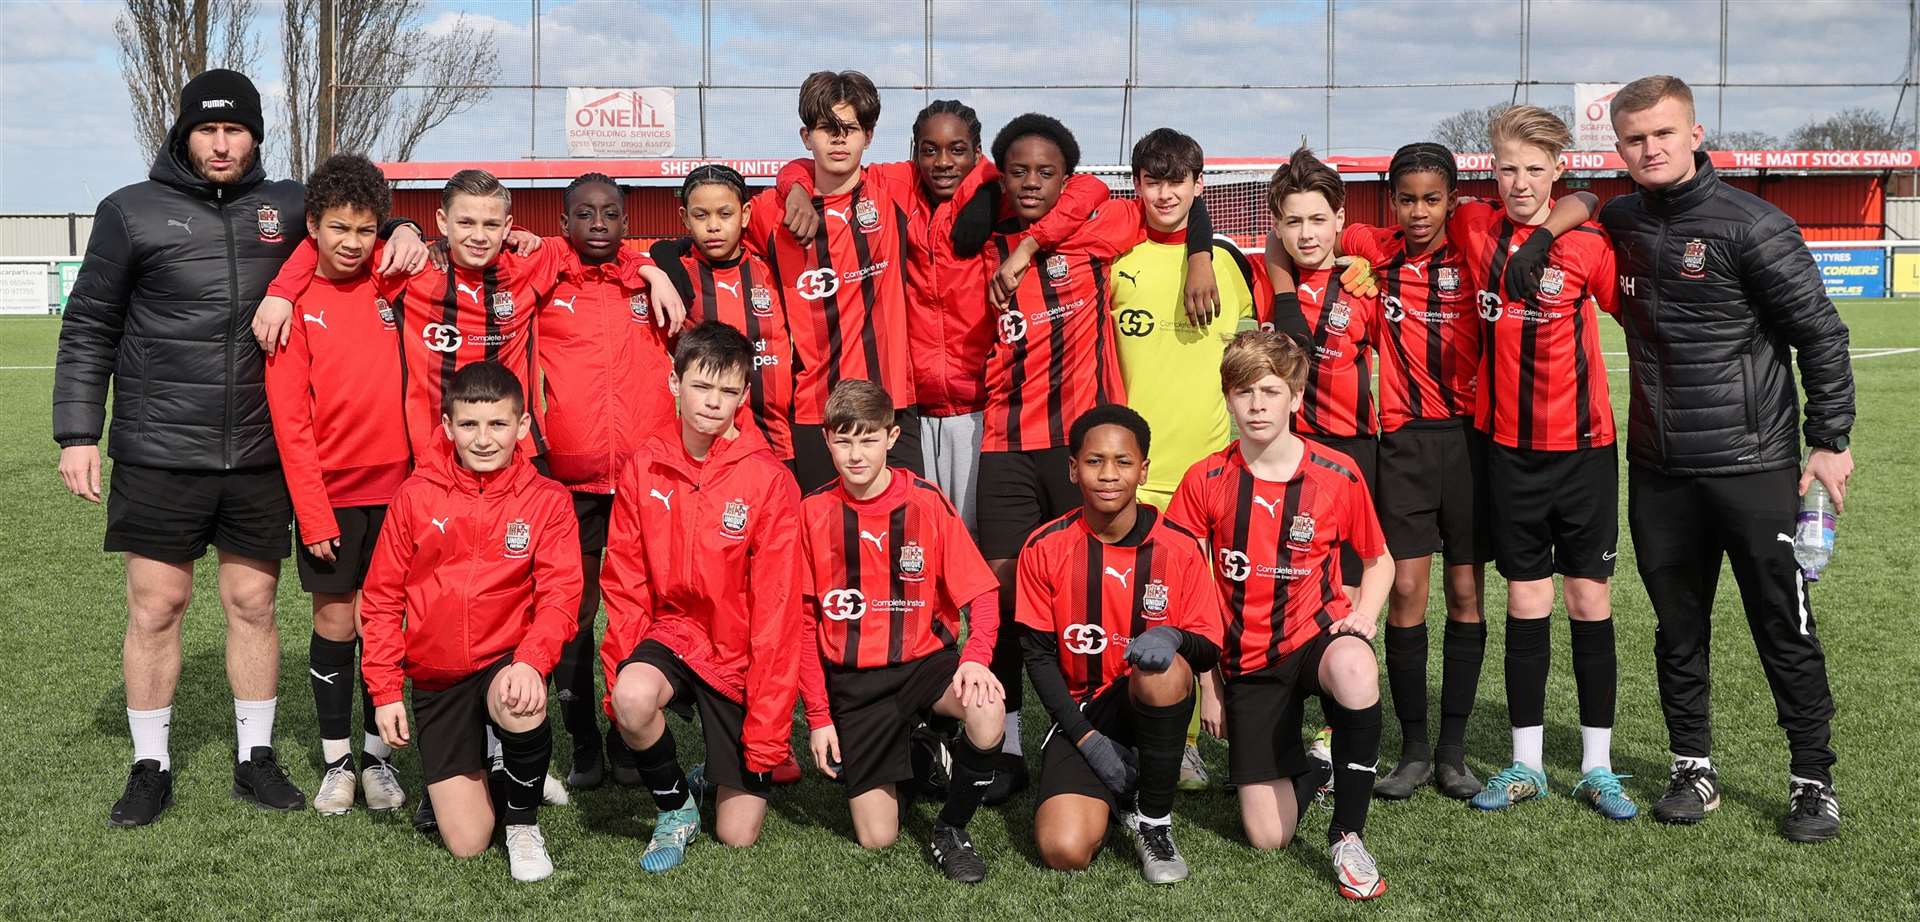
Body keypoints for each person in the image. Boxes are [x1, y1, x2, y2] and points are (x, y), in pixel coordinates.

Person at [53, 68, 428, 827]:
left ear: (256, 136)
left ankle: (255, 758)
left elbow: (352, 226)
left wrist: (405, 231)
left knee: (253, 603)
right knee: (158, 607)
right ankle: (150, 764)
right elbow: (90, 323)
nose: (221, 144)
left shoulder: (288, 205)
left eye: (236, 130)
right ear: (183, 134)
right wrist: (77, 432)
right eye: (207, 130)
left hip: (260, 453)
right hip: (162, 448)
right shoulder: (128, 212)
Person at [1599, 75, 1852, 843]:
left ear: (1696, 133)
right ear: (1619, 148)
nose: (1651, 149)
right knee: (1677, 630)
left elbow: (1823, 334)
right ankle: (1691, 768)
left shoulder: (1753, 226)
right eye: (1635, 139)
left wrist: (1830, 441)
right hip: (1658, 470)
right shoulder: (1620, 219)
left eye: (1663, 134)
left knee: (1784, 625)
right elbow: (1571, 206)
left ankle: (1813, 781)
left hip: (1754, 467)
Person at [1445, 106, 1634, 821]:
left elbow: (1600, 205)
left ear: (1559, 170)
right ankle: (1526, 763)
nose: (1519, 182)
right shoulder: (1472, 227)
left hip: (1585, 449)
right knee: (1527, 601)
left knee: (1590, 600)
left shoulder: (1587, 242)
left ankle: (1598, 767)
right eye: (1507, 168)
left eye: (1534, 169)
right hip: (1509, 450)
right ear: (1490, 170)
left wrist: (1554, 229)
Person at [1171, 329, 1392, 900]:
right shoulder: (1204, 480)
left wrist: (1365, 614)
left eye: (1271, 391)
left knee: (1355, 668)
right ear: (1228, 398)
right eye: (1244, 392)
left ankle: (1348, 836)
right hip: (1246, 659)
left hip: (1317, 637)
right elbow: (1188, 592)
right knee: (1268, 836)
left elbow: (1380, 560)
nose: (1257, 404)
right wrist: (1210, 685)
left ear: (1296, 396)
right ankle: (1315, 767)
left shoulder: (1337, 473)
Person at [358, 361, 584, 882]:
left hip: (504, 658)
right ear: (448, 427)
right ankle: (507, 773)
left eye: (498, 424)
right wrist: (386, 690)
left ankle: (524, 823)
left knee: (518, 699)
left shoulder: (547, 500)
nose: (484, 439)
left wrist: (531, 661)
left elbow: (559, 595)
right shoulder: (416, 495)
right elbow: (382, 599)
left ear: (523, 427)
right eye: (469, 425)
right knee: (467, 842)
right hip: (437, 675)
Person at [598, 321, 806, 873]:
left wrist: (765, 732)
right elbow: (624, 583)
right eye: (701, 386)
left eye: (728, 391)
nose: (713, 403)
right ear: (675, 383)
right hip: (677, 635)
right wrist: (619, 676)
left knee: (737, 835)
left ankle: (723, 769)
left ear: (744, 395)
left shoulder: (769, 481)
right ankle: (675, 807)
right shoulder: (645, 465)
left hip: (739, 656)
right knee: (633, 697)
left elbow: (778, 616)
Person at [1108, 127, 1271, 791]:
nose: (1166, 192)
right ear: (1137, 184)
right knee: (1140, 613)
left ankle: (1245, 739)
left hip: (1209, 471)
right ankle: (1151, 741)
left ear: (1199, 186)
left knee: (1223, 609)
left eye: (1179, 181)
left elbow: (1255, 361)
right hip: (1133, 474)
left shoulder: (1229, 263)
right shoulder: (1115, 257)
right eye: (1153, 179)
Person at [795, 379, 1006, 883]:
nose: (855, 453)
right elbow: (802, 626)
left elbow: (983, 593)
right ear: (825, 440)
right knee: (877, 837)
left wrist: (975, 656)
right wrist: (819, 717)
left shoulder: (927, 503)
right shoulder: (811, 513)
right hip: (855, 681)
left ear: (891, 438)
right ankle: (922, 748)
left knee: (986, 709)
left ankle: (951, 829)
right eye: (843, 440)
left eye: (868, 439)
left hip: (925, 665)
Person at [1330, 143, 1490, 801]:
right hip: (1402, 443)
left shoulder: (1475, 252)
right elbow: (1325, 232)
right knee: (1404, 593)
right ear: (1391, 200)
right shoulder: (1379, 252)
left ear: (1451, 198)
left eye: (1432, 198)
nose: (1419, 211)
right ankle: (1415, 750)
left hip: (1473, 445)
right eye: (1407, 198)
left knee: (1465, 593)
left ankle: (1453, 752)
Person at [262, 153, 412, 815]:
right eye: (339, 229)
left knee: (389, 623)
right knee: (336, 620)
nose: (353, 243)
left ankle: (380, 759)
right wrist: (314, 514)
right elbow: (290, 424)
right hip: (334, 497)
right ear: (313, 228)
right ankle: (336, 762)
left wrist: (405, 234)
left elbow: (436, 251)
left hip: (403, 492)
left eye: (366, 230)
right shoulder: (292, 305)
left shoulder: (390, 282)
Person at [1017, 404, 1224, 884]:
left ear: (1143, 469)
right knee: (1063, 849)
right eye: (1094, 461)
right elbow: (1038, 658)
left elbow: (1208, 648)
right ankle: (1118, 794)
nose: (1109, 474)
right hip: (1084, 714)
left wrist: (1173, 635)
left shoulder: (1178, 546)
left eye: (1123, 461)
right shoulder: (1045, 546)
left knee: (1162, 669)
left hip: (1147, 701)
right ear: (1073, 468)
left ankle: (1154, 822)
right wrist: (1089, 743)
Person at [533, 171, 683, 790]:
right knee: (574, 612)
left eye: (611, 215)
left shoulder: (647, 279)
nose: (599, 225)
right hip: (570, 483)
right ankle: (584, 742)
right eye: (585, 215)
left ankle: (628, 733)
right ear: (563, 223)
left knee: (639, 609)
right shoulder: (542, 274)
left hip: (644, 481)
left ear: (627, 221)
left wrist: (651, 269)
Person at [653, 164, 797, 465]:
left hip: (778, 444)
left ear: (745, 214)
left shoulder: (772, 268)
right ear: (684, 218)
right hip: (706, 450)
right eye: (700, 215)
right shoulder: (674, 276)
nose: (713, 226)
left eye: (725, 213)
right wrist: (658, 256)